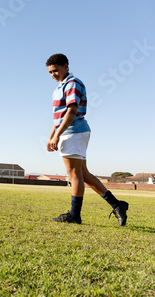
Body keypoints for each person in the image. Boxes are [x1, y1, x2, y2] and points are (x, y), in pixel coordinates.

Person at [45, 53, 129, 226]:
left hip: (74, 132)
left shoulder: (72, 83)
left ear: (66, 66)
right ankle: (117, 205)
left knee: (74, 174)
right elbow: (58, 117)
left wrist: (57, 135)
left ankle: (75, 215)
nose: (53, 74)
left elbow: (71, 111)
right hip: (72, 132)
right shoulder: (59, 87)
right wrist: (51, 136)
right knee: (83, 174)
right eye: (50, 72)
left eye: (56, 70)